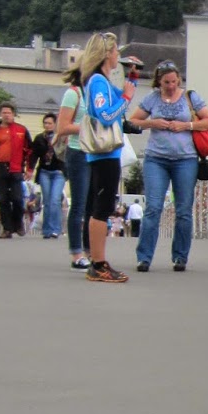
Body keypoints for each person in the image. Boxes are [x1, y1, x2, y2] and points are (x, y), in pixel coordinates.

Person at [128, 61, 208, 272]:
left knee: (183, 210)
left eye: (174, 81)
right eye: (167, 82)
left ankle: (180, 256)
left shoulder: (190, 97)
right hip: (156, 159)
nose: (171, 86)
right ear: (159, 81)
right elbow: (133, 121)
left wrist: (186, 125)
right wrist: (152, 123)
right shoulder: (152, 98)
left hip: (185, 159)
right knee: (153, 208)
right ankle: (144, 257)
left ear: (179, 80)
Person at [79, 33, 135, 282]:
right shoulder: (98, 81)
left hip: (105, 153)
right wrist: (127, 97)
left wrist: (131, 81)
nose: (117, 56)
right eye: (115, 52)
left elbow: (115, 99)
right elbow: (106, 115)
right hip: (105, 152)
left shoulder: (99, 81)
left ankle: (98, 260)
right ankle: (98, 263)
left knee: (101, 206)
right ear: (106, 54)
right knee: (101, 208)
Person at [54, 64, 90, 269]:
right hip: (78, 151)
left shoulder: (97, 93)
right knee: (79, 204)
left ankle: (89, 250)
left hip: (96, 151)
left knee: (93, 205)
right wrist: (90, 127)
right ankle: (76, 253)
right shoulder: (73, 93)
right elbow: (63, 127)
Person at [0, 102, 34, 238]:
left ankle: (18, 223)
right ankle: (7, 229)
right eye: (4, 113)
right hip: (0, 168)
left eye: (9, 113)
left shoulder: (21, 130)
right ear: (0, 114)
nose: (6, 115)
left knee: (17, 198)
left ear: (13, 114)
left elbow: (30, 150)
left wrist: (30, 169)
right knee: (3, 200)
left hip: (16, 168)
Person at [30, 112, 67, 238]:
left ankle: (55, 229)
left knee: (55, 200)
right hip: (44, 171)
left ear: (55, 124)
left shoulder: (61, 137)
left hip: (58, 172)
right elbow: (34, 155)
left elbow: (66, 153)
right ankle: (46, 230)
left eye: (50, 123)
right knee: (46, 201)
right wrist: (30, 169)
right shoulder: (39, 138)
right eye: (45, 123)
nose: (47, 125)